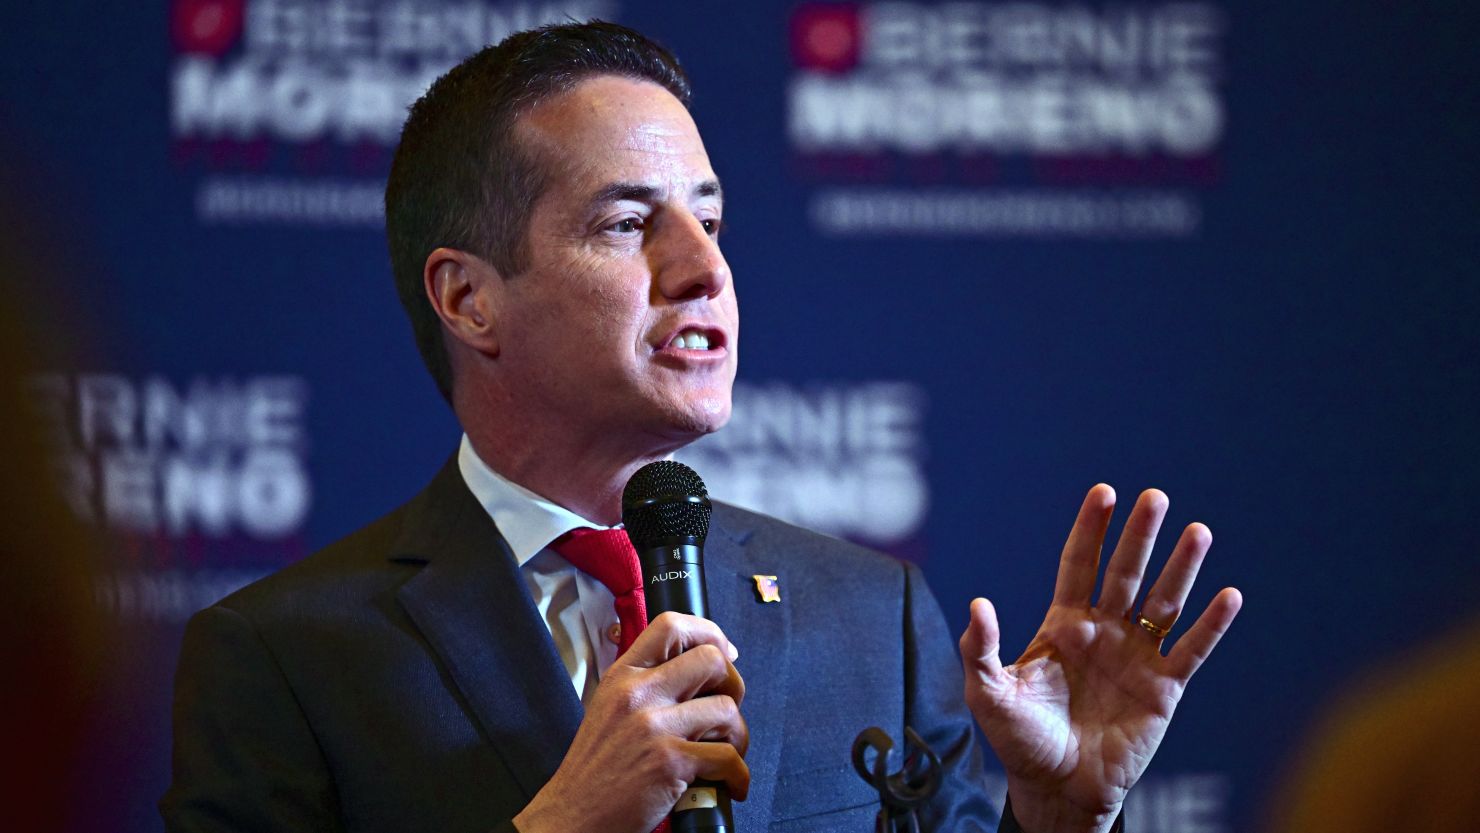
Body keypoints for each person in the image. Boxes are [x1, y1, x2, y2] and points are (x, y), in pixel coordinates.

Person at [161, 21, 1241, 833]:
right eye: (629, 223)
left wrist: (1050, 820)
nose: (705, 269)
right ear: (469, 299)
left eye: (711, 220)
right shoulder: (284, 657)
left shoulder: (876, 615)